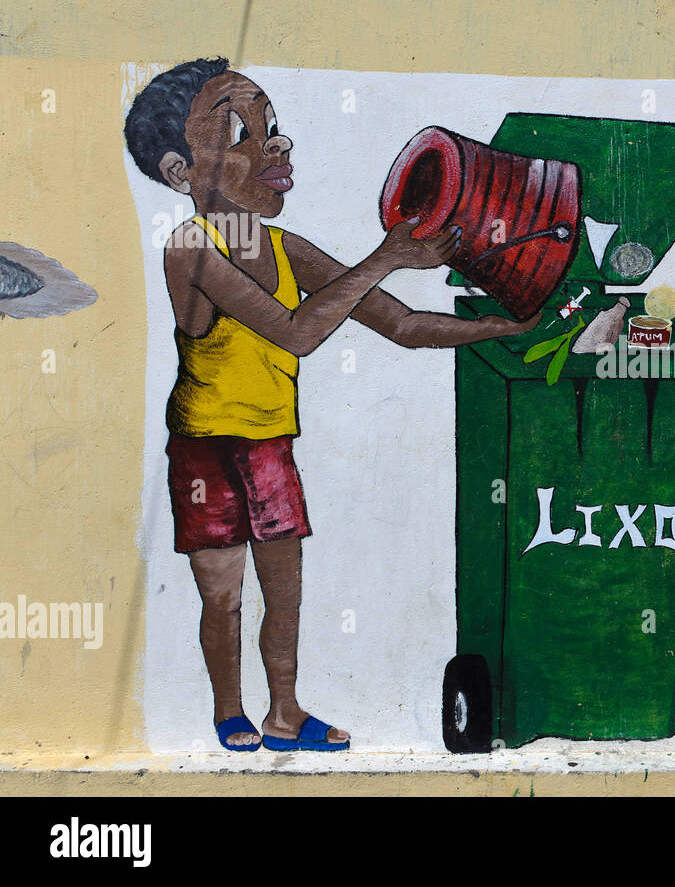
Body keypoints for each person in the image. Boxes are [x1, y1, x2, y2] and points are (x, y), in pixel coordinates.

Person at [124, 57, 539, 751]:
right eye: (241, 135)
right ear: (179, 173)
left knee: (283, 593)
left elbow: (402, 324)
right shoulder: (189, 248)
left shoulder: (285, 247)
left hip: (269, 442)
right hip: (205, 444)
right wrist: (381, 259)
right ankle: (231, 710)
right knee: (223, 594)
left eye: (273, 127)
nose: (276, 144)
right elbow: (298, 332)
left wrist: (504, 327)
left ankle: (283, 711)